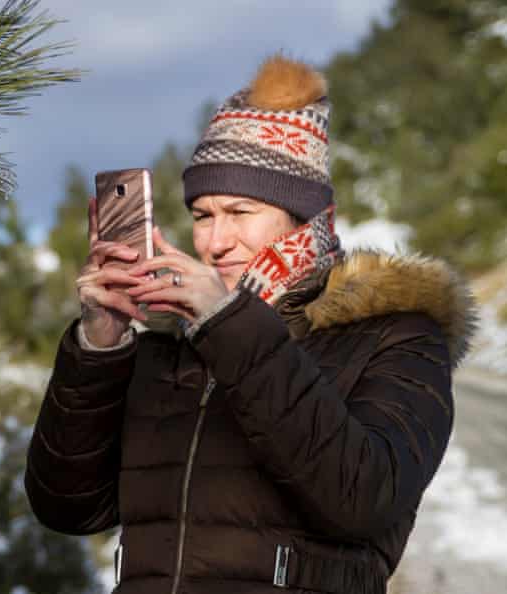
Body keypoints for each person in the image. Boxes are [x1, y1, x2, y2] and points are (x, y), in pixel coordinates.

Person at [24, 55, 479, 594]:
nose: (214, 241)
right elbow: (68, 507)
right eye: (201, 215)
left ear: (304, 219)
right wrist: (99, 348)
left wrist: (229, 324)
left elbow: (362, 501)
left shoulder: (398, 336)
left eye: (239, 213)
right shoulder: (166, 348)